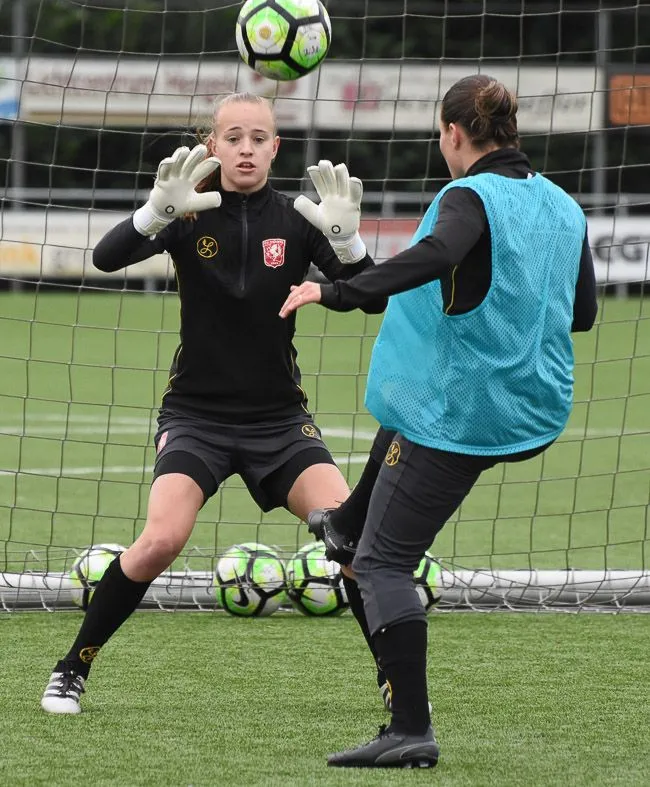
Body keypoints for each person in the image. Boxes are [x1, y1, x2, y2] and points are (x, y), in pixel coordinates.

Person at [280, 74, 598, 769]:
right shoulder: (563, 206)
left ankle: (410, 727)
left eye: (439, 133)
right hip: (533, 404)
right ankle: (346, 518)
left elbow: (438, 255)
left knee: (381, 563)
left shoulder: (467, 194)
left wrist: (336, 288)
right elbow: (583, 314)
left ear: (454, 133)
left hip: (468, 411)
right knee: (358, 534)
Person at [40, 92, 386, 715]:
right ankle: (72, 668)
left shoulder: (301, 216)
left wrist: (350, 242)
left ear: (275, 148)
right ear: (213, 146)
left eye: (258, 137)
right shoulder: (188, 210)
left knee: (352, 545)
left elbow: (371, 296)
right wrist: (151, 214)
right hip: (196, 416)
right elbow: (105, 258)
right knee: (161, 539)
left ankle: (399, 693)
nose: (246, 148)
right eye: (233, 137)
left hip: (279, 421)